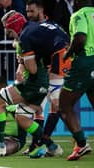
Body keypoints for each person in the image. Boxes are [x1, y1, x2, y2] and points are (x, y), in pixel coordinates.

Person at [0, 10, 70, 156]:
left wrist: (24, 62)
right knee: (22, 118)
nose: (8, 33)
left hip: (35, 82)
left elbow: (32, 69)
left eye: (8, 30)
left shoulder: (25, 36)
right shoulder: (33, 28)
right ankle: (52, 147)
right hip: (47, 77)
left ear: (15, 27)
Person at [15, 0, 70, 157]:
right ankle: (37, 143)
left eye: (31, 11)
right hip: (46, 68)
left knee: (56, 103)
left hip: (57, 62)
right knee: (40, 107)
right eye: (27, 12)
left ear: (41, 10)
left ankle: (48, 142)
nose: (29, 15)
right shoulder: (34, 28)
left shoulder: (47, 25)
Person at [59, 0, 93, 161]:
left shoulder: (79, 15)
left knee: (64, 106)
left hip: (85, 63)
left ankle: (81, 143)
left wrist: (68, 53)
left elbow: (80, 38)